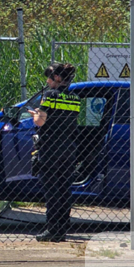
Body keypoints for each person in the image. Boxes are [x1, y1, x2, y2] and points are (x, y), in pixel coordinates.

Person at [29, 62, 81, 243]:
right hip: (68, 149)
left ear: (57, 78)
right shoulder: (75, 98)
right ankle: (62, 229)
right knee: (65, 189)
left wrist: (35, 114)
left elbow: (40, 122)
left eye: (49, 78)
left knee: (52, 190)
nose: (47, 81)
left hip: (50, 148)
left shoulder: (50, 95)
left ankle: (51, 229)